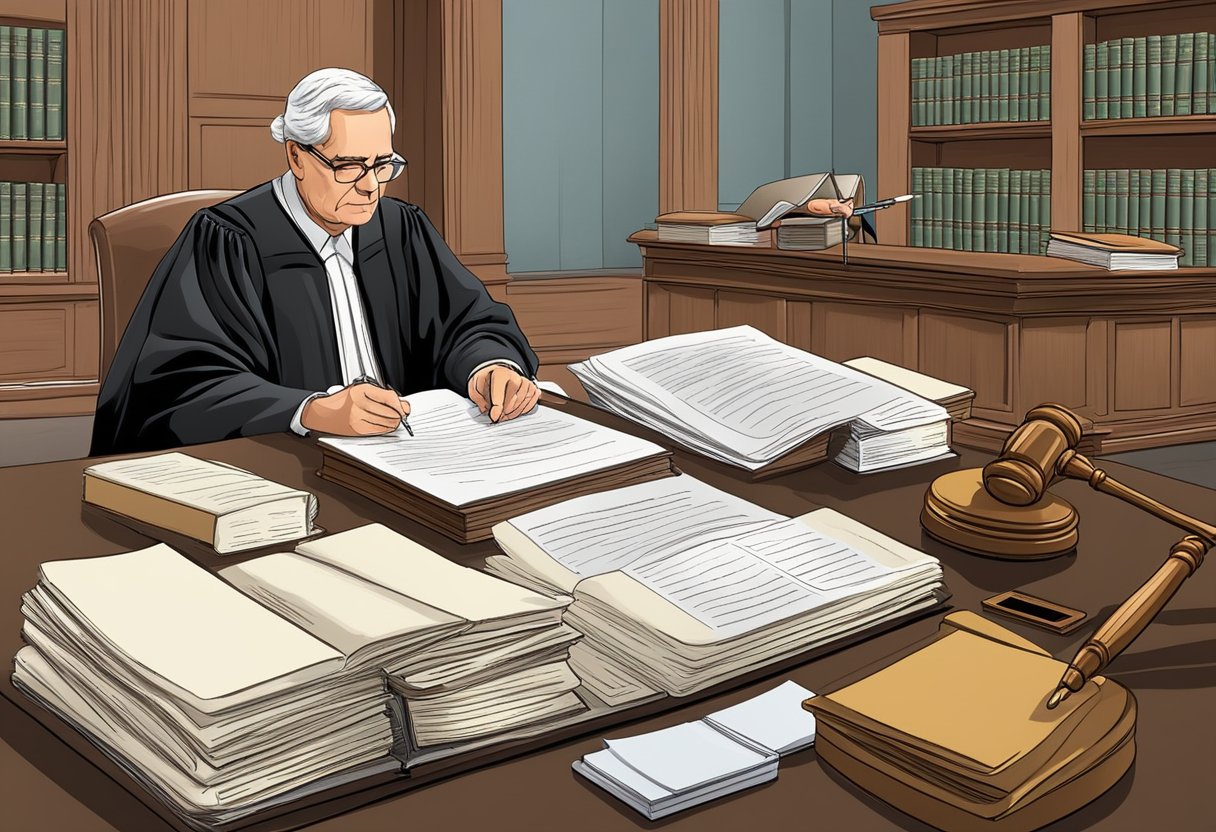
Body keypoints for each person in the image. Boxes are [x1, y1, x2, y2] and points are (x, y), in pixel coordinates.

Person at [91, 68, 540, 456]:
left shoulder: (401, 229)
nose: (371, 187)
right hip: (286, 467)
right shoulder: (227, 240)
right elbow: (182, 385)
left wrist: (490, 367)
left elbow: (468, 321)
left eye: (382, 164)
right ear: (296, 156)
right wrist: (309, 410)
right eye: (348, 166)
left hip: (409, 459)